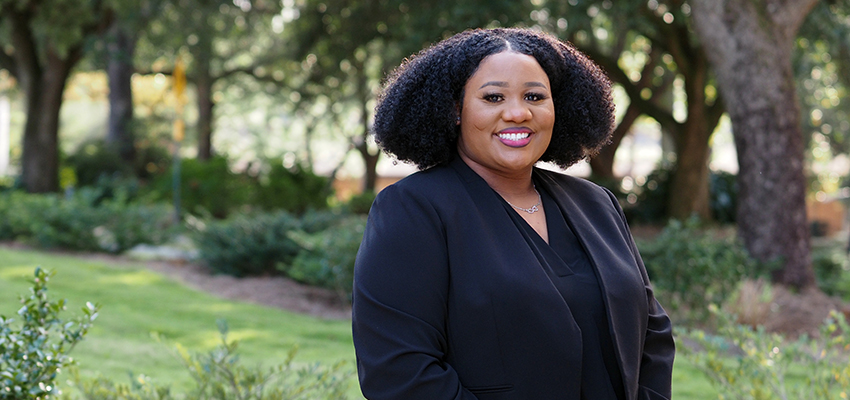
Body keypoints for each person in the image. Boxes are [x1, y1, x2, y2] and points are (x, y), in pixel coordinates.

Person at [351, 27, 675, 400]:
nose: (518, 112)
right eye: (493, 97)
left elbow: (654, 333)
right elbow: (398, 371)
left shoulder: (596, 204)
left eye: (535, 96)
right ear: (455, 110)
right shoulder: (413, 210)